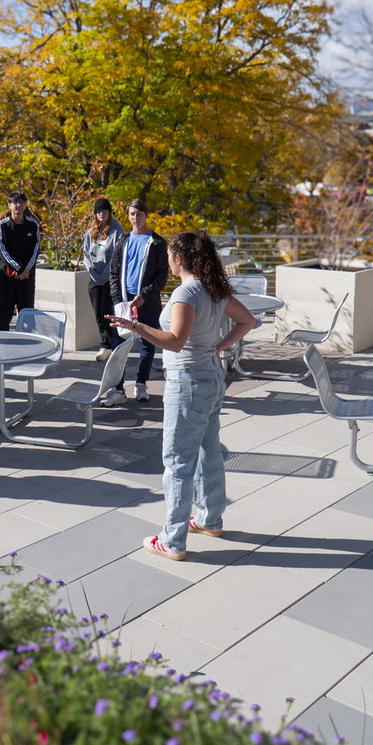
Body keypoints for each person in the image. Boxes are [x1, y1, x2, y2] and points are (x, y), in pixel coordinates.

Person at [109, 231, 254, 561]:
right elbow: (247, 321)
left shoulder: (187, 292)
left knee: (177, 462)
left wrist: (136, 328)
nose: (168, 260)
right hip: (212, 379)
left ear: (178, 258)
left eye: (171, 255)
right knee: (208, 452)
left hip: (188, 383)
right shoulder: (213, 288)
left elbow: (175, 341)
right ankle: (209, 519)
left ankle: (172, 540)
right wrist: (217, 347)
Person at [104, 199, 169, 406]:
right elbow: (114, 273)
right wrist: (117, 300)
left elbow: (161, 276)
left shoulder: (157, 243)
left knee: (147, 344)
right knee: (119, 346)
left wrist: (145, 295)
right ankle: (117, 389)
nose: (135, 218)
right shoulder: (122, 240)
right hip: (123, 301)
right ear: (128, 216)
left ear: (146, 215)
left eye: (139, 213)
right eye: (132, 214)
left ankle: (141, 384)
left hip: (147, 303)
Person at [82, 197, 124, 362]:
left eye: (104, 211)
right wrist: (93, 273)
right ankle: (104, 344)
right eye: (98, 212)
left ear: (109, 212)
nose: (101, 214)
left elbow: (117, 256)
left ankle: (113, 345)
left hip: (110, 278)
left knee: (108, 312)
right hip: (94, 277)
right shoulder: (91, 231)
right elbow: (86, 254)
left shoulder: (117, 230)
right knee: (97, 312)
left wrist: (104, 276)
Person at [0, 190, 41, 331]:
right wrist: (18, 269)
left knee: (27, 314)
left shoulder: (33, 225)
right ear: (9, 205)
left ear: (26, 205)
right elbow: (3, 250)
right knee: (4, 314)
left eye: (21, 202)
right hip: (8, 276)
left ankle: (27, 345)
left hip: (27, 277)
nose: (18, 205)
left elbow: (35, 249)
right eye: (14, 202)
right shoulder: (2, 225)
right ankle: (2, 344)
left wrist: (25, 270)